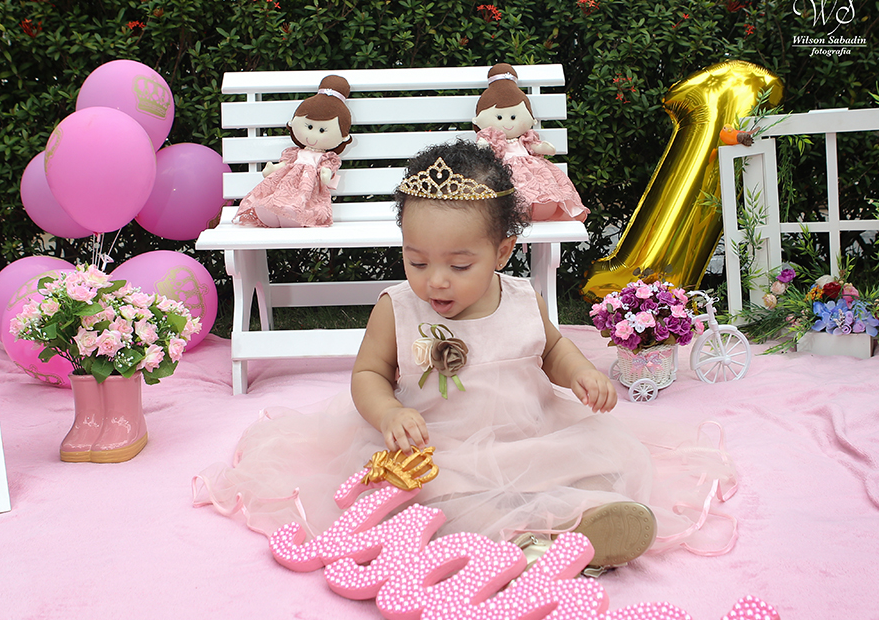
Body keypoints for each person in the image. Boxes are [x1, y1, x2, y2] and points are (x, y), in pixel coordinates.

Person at [196, 141, 735, 570]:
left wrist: (580, 374)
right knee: (435, 503)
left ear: (502, 252)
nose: (435, 280)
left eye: (459, 265)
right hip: (442, 449)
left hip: (534, 435)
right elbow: (368, 374)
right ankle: (525, 548)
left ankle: (586, 526)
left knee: (599, 466)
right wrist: (388, 412)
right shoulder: (399, 309)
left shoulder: (523, 298)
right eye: (416, 260)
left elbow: (553, 349)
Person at [473, 63, 588, 223]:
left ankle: (542, 208)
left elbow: (534, 146)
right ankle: (519, 212)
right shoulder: (494, 138)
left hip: (531, 167)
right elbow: (485, 148)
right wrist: (485, 146)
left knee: (542, 184)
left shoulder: (525, 138)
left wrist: (542, 147)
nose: (508, 123)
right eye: (499, 117)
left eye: (514, 117)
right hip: (505, 169)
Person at [233, 75, 352, 228]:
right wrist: (273, 169)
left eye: (322, 130)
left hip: (307, 188)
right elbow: (284, 164)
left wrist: (325, 174)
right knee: (276, 194)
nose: (313, 134)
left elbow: (326, 173)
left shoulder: (326, 158)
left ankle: (293, 214)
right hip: (285, 183)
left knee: (302, 201)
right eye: (309, 127)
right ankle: (268, 211)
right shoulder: (293, 153)